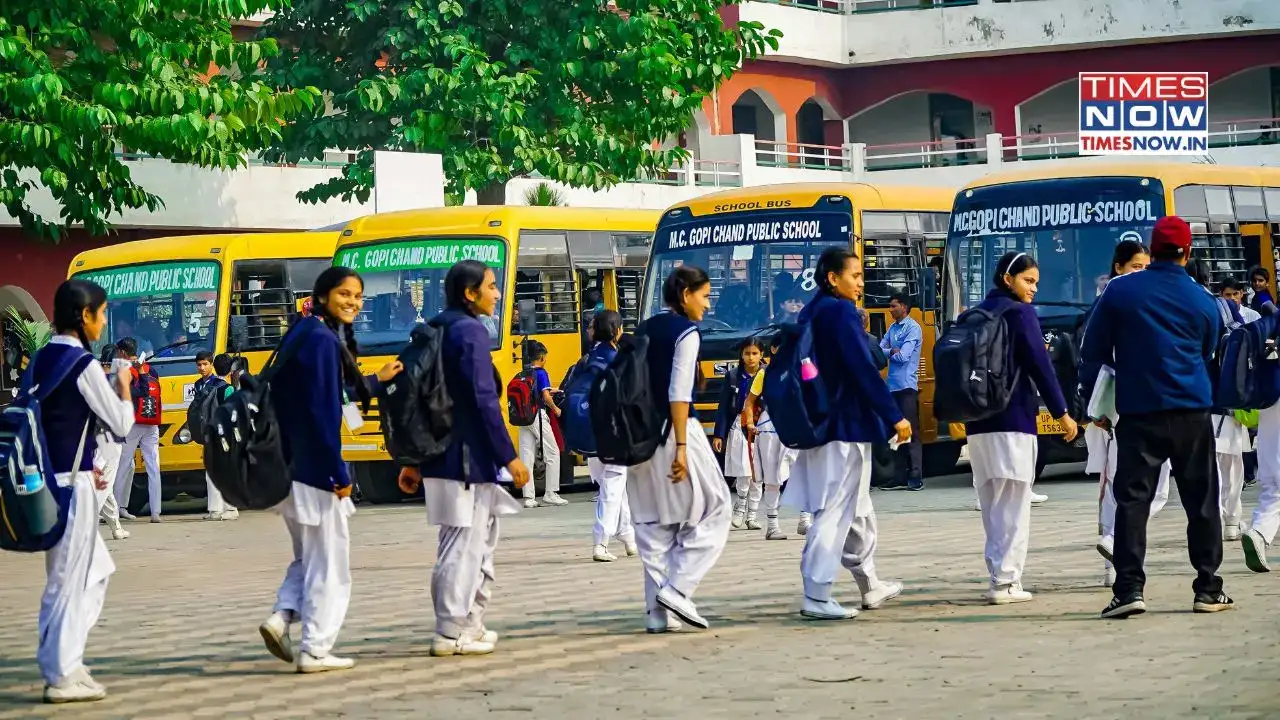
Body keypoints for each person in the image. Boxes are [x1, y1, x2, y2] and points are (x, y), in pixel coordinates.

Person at [1081, 215, 1232, 619]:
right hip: (1191, 412)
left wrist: (1100, 396)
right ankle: (1208, 588)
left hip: (1139, 412)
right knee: (1201, 501)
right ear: (1187, 251)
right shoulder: (1203, 299)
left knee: (1132, 502)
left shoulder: (1120, 292)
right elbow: (1207, 350)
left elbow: (1092, 349)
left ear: (1153, 247)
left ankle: (1129, 589)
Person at [257, 266, 402, 673]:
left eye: (358, 296)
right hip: (314, 470)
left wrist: (374, 381)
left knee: (309, 556)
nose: (353, 302)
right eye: (344, 294)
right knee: (330, 564)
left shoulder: (304, 332)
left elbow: (331, 391)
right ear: (323, 296)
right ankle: (315, 649)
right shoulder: (321, 340)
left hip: (287, 466)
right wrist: (339, 475)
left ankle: (282, 615)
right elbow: (323, 412)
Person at [397, 259, 531, 657]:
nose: (497, 293)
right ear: (469, 293)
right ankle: (450, 630)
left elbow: (424, 401)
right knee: (463, 544)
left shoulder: (434, 330)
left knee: (476, 542)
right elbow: (482, 400)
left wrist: (414, 461)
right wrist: (510, 457)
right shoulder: (469, 332)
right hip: (465, 458)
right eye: (491, 286)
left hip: (441, 456)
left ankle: (471, 623)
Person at [785, 247, 909, 620]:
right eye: (854, 276)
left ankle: (869, 583)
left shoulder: (813, 310)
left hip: (822, 423)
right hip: (844, 425)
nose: (860, 283)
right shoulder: (839, 312)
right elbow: (862, 368)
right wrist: (894, 416)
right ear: (832, 278)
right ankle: (817, 594)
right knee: (835, 511)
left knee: (854, 509)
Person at [35, 279, 135, 703]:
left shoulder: (43, 357)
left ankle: (67, 661)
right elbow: (122, 423)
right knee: (68, 580)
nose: (104, 320)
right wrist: (124, 383)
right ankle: (60, 674)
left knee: (90, 573)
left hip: (51, 481)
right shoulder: (83, 365)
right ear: (84, 316)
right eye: (103, 312)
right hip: (70, 490)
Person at [965, 252, 1079, 605]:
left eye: (1035, 283)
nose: (1033, 289)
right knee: (1014, 505)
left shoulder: (972, 315)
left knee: (992, 504)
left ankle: (998, 575)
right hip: (1013, 421)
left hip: (977, 425)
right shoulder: (1019, 313)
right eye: (1028, 281)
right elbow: (1040, 365)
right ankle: (1006, 582)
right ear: (1007, 278)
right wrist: (1062, 413)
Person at [627, 265, 732, 632]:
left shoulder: (646, 328)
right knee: (717, 508)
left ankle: (658, 615)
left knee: (654, 523)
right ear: (686, 295)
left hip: (637, 435)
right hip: (674, 430)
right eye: (704, 295)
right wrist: (683, 448)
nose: (708, 303)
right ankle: (679, 589)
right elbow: (679, 391)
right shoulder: (686, 333)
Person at [1078, 241, 1171, 587]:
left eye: (1146, 267)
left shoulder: (1130, 301)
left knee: (1129, 485)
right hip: (1120, 409)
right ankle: (1115, 550)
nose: (1142, 273)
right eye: (1135, 267)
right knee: (1130, 485)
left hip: (1129, 407)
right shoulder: (1114, 302)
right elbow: (1090, 357)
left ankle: (1116, 556)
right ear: (1117, 268)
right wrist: (1094, 408)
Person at [582, 310, 638, 562]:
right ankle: (600, 542)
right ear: (616, 330)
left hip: (590, 434)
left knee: (615, 487)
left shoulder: (585, 359)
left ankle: (628, 536)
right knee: (613, 489)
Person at [741, 336, 795, 540]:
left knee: (805, 472)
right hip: (770, 427)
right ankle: (772, 525)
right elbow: (749, 402)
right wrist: (750, 424)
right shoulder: (764, 373)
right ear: (773, 349)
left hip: (798, 426)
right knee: (772, 477)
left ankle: (805, 521)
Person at [712, 338, 765, 529]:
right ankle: (740, 506)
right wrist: (719, 434)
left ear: (761, 355)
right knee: (744, 469)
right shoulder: (733, 376)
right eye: (747, 353)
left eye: (754, 353)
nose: (750, 358)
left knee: (759, 473)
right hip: (739, 425)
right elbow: (724, 406)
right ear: (741, 355)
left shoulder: (768, 374)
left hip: (762, 426)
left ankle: (752, 515)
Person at [110, 337, 162, 522]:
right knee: (153, 466)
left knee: (122, 466)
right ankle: (156, 511)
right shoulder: (151, 370)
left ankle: (116, 508)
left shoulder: (127, 370)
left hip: (132, 424)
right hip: (152, 423)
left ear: (123, 353)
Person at [878, 292, 924, 491]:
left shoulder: (913, 328)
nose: (890, 309)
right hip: (892, 386)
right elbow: (879, 350)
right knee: (896, 433)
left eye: (894, 306)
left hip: (906, 386)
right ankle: (898, 476)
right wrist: (891, 351)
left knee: (911, 433)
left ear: (904, 307)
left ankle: (916, 476)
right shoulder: (893, 328)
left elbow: (904, 357)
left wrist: (893, 352)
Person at [518, 341, 567, 508]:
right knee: (553, 452)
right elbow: (545, 397)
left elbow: (535, 391)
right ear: (541, 357)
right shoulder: (541, 372)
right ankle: (551, 493)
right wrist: (556, 409)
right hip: (537, 416)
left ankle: (529, 498)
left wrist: (551, 390)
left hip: (523, 418)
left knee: (527, 456)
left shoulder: (524, 372)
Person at [195, 352, 239, 521]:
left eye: (204, 364)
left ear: (212, 365)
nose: (202, 367)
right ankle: (223, 508)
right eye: (200, 364)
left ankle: (222, 509)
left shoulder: (204, 386)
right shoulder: (227, 388)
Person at [94, 345, 130, 541]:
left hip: (97, 436)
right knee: (104, 482)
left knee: (103, 480)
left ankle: (116, 527)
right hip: (111, 438)